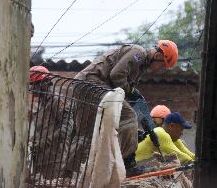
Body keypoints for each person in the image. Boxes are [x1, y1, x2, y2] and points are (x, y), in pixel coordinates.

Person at [74, 40, 178, 177]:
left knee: (86, 134)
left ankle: (70, 172)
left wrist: (136, 132)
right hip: (92, 83)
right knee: (129, 115)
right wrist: (130, 91)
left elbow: (122, 88)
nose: (161, 68)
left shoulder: (140, 67)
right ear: (158, 55)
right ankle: (128, 164)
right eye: (163, 65)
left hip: (84, 85)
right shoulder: (139, 53)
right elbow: (117, 75)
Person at [27, 66, 77, 180]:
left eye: (35, 84)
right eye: (32, 85)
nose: (33, 88)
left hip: (56, 160)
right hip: (41, 159)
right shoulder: (42, 105)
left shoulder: (58, 101)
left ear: (45, 83)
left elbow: (66, 130)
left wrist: (44, 142)